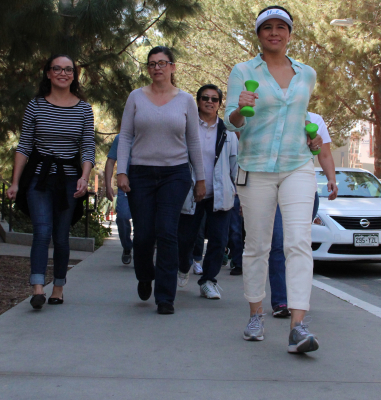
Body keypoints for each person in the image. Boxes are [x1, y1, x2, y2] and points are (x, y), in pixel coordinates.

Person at [224, 6, 324, 353]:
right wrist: (240, 107)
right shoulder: (242, 71)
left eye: (281, 27)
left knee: (298, 242)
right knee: (258, 246)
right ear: (259, 34)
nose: (274, 33)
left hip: (298, 164)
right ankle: (255, 315)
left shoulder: (306, 74)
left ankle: (298, 326)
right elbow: (232, 124)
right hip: (255, 167)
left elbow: (300, 118)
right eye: (267, 28)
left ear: (290, 34)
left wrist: (312, 140)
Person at [117, 46, 205, 315]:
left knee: (167, 232)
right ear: (148, 69)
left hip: (175, 174)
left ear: (173, 67)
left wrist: (200, 177)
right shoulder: (135, 97)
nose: (157, 68)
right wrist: (122, 171)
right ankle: (145, 275)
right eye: (152, 64)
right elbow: (125, 136)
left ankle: (165, 297)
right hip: (141, 173)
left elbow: (193, 140)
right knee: (143, 235)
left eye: (163, 63)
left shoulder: (186, 100)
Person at [6, 54, 95, 310]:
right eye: (57, 69)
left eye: (68, 69)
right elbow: (24, 146)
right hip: (39, 178)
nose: (63, 73)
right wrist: (15, 182)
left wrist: (84, 177)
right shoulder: (36, 106)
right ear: (48, 73)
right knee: (42, 231)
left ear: (74, 75)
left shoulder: (84, 109)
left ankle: (58, 286)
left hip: (69, 179)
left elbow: (87, 147)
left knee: (61, 236)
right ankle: (37, 288)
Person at [268, 112, 338, 318]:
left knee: (298, 244)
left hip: (305, 189)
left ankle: (298, 300)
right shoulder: (275, 113)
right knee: (279, 242)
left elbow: (324, 153)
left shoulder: (315, 120)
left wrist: (331, 178)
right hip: (276, 187)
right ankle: (281, 300)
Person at [177, 84, 238, 299]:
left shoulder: (228, 132)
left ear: (219, 104)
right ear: (198, 101)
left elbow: (234, 165)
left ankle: (209, 281)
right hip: (191, 194)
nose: (209, 102)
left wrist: (235, 191)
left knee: (218, 241)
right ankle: (184, 267)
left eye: (214, 99)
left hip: (220, 196)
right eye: (205, 98)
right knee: (185, 239)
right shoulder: (187, 128)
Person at [105, 134, 133, 264]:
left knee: (143, 222)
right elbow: (110, 161)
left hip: (145, 186)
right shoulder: (120, 138)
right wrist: (108, 185)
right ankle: (127, 246)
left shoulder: (150, 134)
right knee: (122, 217)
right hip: (124, 187)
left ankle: (140, 252)